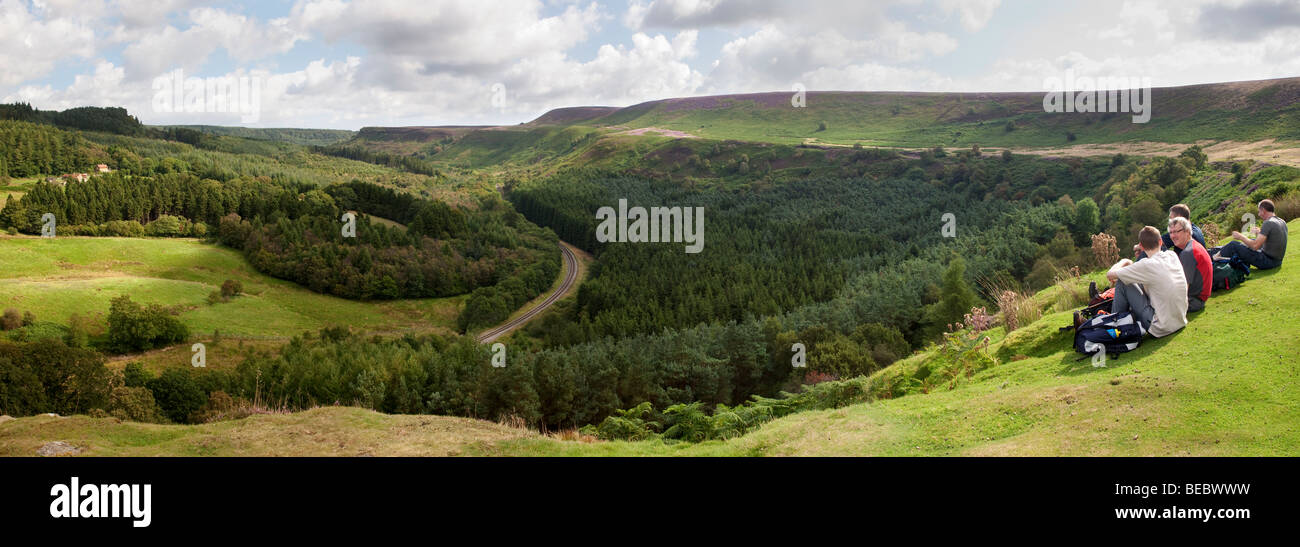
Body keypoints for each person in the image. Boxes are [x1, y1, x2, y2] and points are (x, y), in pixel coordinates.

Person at [1105, 226, 1189, 337]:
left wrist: (1124, 260)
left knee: (1122, 281)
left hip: (1161, 327)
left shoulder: (1146, 265)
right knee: (1134, 280)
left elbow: (1110, 275)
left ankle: (1113, 327)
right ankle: (1119, 323)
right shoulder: (1172, 255)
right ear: (1160, 241)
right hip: (1180, 320)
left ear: (1141, 247)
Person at [1214, 199, 1287, 270]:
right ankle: (1221, 256)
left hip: (1268, 262)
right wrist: (1259, 233)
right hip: (1277, 261)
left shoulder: (1268, 223)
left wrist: (1240, 237)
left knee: (1233, 245)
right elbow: (1272, 240)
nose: (1259, 214)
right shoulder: (1281, 221)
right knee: (1247, 243)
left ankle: (1214, 259)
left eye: (1259, 211)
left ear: (1263, 210)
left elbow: (1255, 246)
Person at [1168, 216, 1212, 313]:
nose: (1173, 236)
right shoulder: (1193, 245)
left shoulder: (1188, 252)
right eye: (1171, 232)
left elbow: (1183, 287)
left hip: (1194, 301)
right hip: (1199, 298)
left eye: (1176, 232)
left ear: (1187, 231)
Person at [1134, 203, 1205, 258]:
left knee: (1154, 247)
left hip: (1187, 268)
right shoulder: (1194, 228)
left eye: (1171, 218)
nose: (1170, 221)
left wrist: (1140, 246)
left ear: (1179, 218)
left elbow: (1155, 241)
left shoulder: (1181, 233)